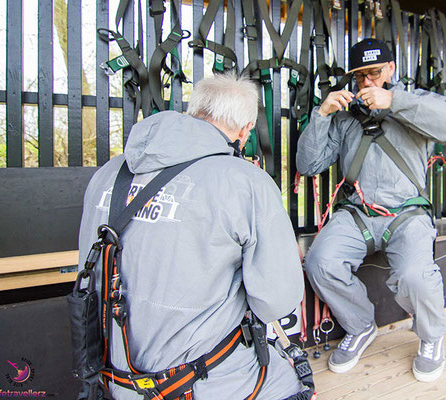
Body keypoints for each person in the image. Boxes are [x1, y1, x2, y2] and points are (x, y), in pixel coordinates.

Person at [78, 72, 308, 399]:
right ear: (245, 131)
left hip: (115, 379)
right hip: (202, 383)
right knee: (294, 383)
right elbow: (276, 301)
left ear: (195, 111)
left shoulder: (107, 174)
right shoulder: (246, 182)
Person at [296, 38, 446, 382]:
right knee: (320, 263)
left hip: (407, 215)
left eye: (375, 73)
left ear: (390, 69)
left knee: (415, 277)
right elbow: (308, 163)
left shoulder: (413, 104)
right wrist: (321, 115)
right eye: (361, 77)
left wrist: (396, 101)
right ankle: (360, 326)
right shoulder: (346, 119)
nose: (368, 83)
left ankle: (432, 337)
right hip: (357, 214)